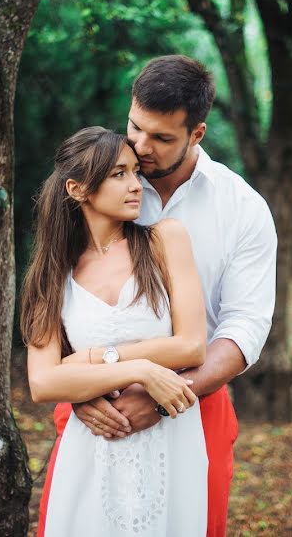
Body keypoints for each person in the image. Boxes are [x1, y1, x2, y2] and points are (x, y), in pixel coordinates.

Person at [36, 55, 278, 537]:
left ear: (197, 134)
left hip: (196, 398)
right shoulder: (102, 179)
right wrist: (84, 390)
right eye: (135, 127)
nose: (141, 147)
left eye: (162, 138)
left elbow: (244, 327)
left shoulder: (242, 208)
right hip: (93, 405)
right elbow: (58, 298)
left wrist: (168, 395)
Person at [23, 126, 210, 536]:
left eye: (134, 173)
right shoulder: (51, 274)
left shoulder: (165, 239)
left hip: (170, 442)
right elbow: (42, 381)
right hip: (93, 445)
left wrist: (90, 360)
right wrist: (139, 369)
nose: (135, 186)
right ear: (77, 188)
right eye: (118, 174)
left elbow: (193, 345)